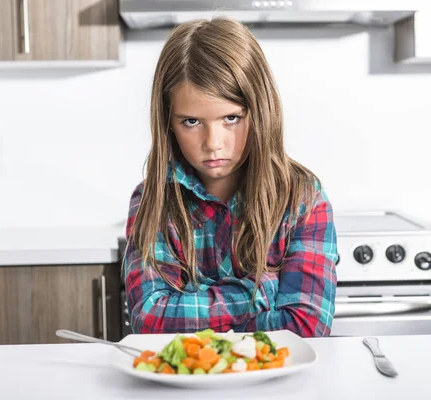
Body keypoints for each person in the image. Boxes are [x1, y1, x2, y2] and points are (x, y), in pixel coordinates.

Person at [123, 17, 338, 337]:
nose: (213, 143)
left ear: (260, 111)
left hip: (278, 386)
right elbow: (150, 319)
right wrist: (260, 294)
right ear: (168, 121)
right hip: (183, 386)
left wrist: (192, 315)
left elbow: (306, 326)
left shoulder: (302, 199)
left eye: (231, 118)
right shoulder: (153, 200)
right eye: (192, 121)